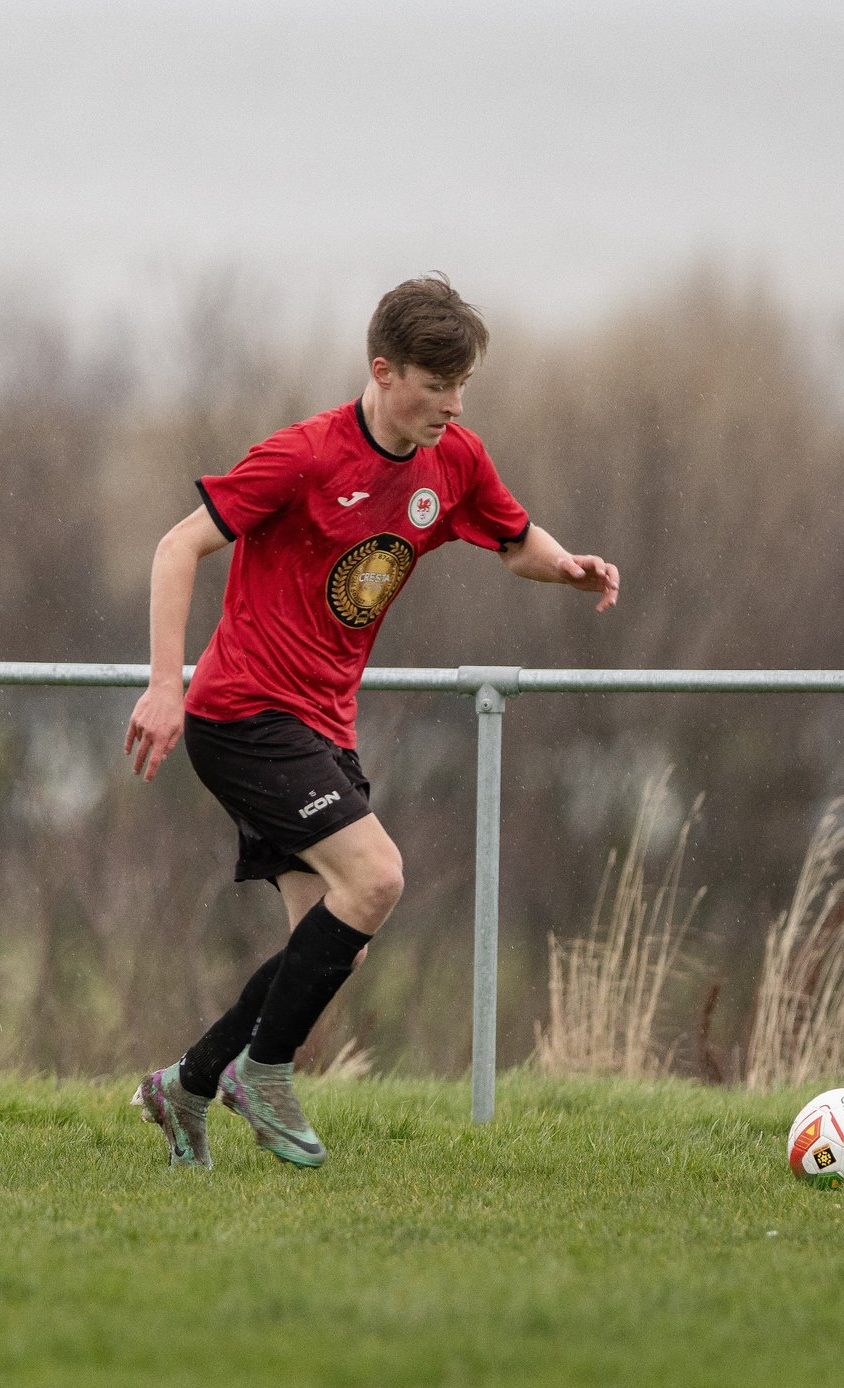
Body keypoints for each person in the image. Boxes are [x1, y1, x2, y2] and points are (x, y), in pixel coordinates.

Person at [123, 276, 619, 1169]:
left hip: (322, 728)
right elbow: (175, 546)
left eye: (462, 384)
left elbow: (513, 539)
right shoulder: (305, 456)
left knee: (331, 951)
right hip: (242, 715)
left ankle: (189, 1082)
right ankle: (261, 1073)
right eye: (436, 383)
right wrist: (166, 686)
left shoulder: (454, 459)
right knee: (380, 877)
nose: (452, 403)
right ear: (383, 371)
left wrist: (567, 566)